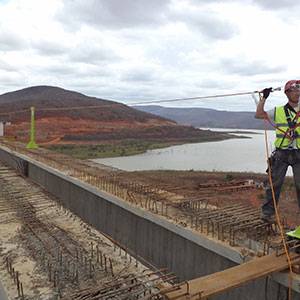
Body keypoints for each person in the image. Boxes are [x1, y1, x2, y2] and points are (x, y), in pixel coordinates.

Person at [255, 80, 300, 222]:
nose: (297, 93)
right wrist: (264, 98)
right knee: (274, 184)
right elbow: (259, 114)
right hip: (282, 153)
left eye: (299, 90)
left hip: (298, 152)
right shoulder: (278, 111)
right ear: (287, 93)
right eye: (294, 90)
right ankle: (267, 214)